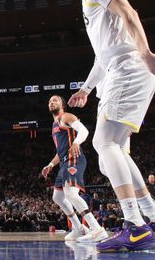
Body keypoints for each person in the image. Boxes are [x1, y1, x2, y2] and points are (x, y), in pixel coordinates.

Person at [67, 0, 155, 252]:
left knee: (104, 144)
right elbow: (103, 56)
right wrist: (86, 89)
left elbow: (130, 14)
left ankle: (135, 226)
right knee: (116, 152)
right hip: (121, 68)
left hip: (129, 68)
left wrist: (145, 53)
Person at [40, 95, 106, 242]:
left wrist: (76, 143)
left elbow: (84, 131)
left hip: (74, 159)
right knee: (57, 197)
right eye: (49, 101)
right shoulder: (54, 125)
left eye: (55, 100)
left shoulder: (66, 117)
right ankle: (79, 228)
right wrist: (50, 165)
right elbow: (60, 152)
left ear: (62, 104)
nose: (51, 102)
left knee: (70, 194)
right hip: (64, 161)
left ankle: (97, 229)